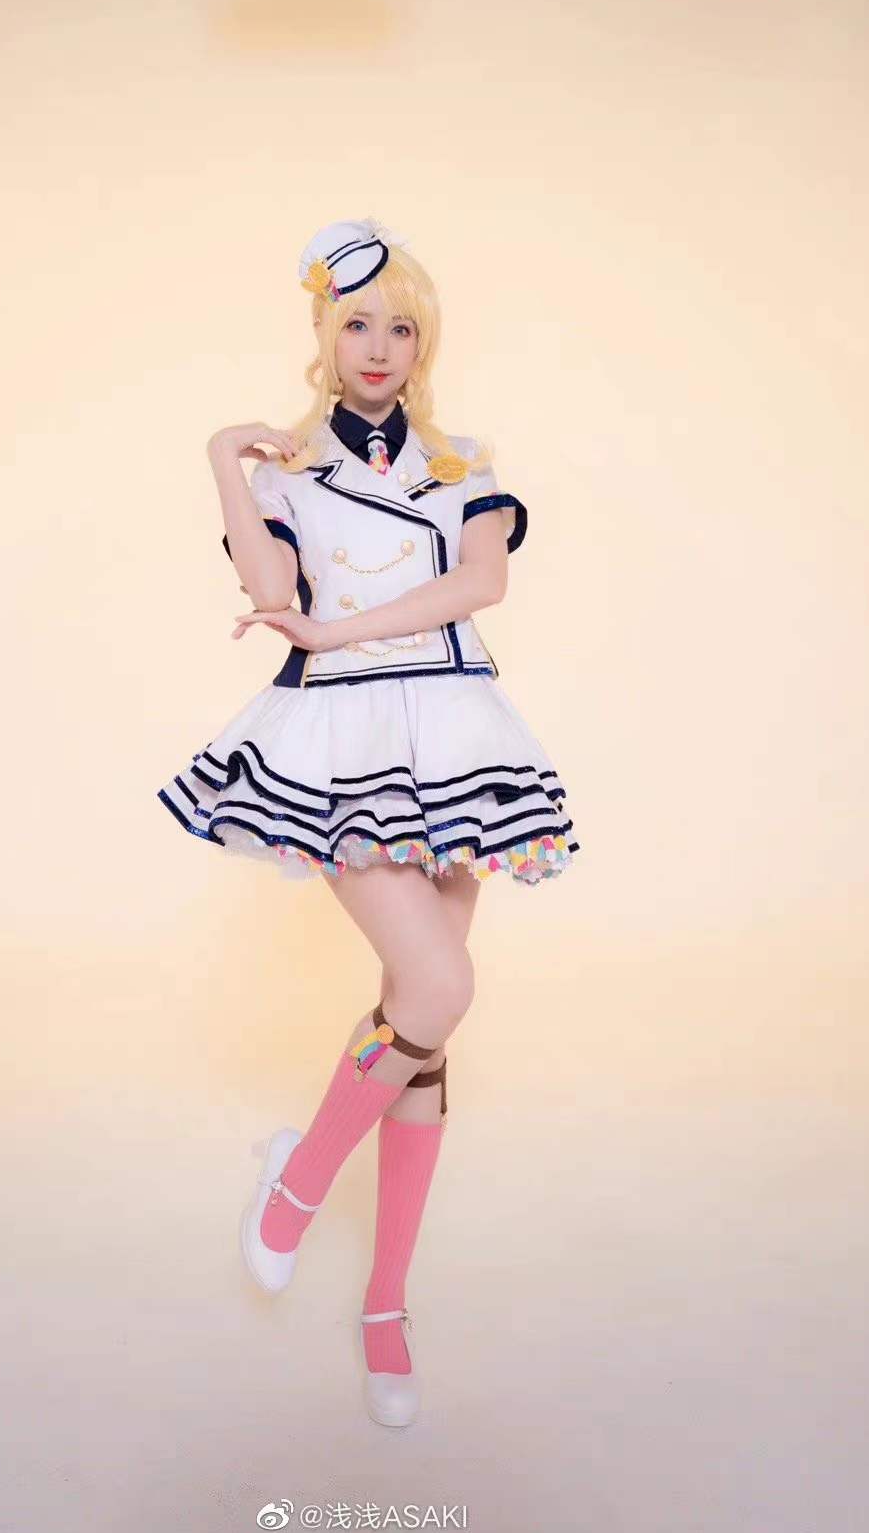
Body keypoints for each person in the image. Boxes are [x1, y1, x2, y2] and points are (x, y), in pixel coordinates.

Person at [156, 216, 581, 1427]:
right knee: (439, 989)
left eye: (402, 326)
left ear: (423, 341)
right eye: (358, 324)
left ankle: (385, 1302)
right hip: (340, 737)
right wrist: (225, 461)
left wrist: (338, 628)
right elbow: (271, 590)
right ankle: (299, 1183)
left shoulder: (464, 462)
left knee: (420, 1019)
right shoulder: (288, 471)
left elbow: (481, 583)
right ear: (325, 336)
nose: (381, 346)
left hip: (454, 730)